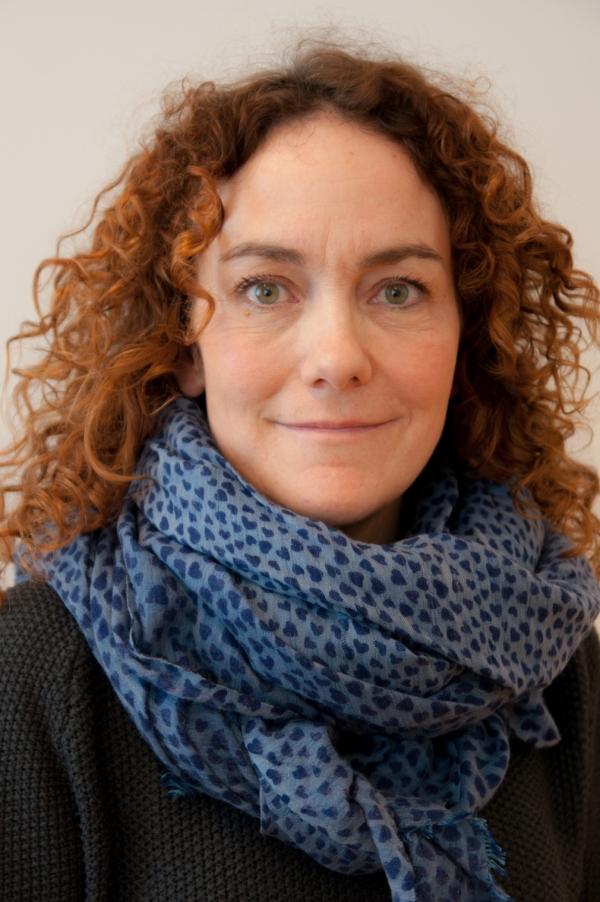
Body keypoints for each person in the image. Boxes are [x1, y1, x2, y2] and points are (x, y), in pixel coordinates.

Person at [1, 37, 599, 902]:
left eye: (397, 290)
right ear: (184, 343)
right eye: (265, 288)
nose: (337, 357)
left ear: (465, 337)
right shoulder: (42, 671)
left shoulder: (555, 662)